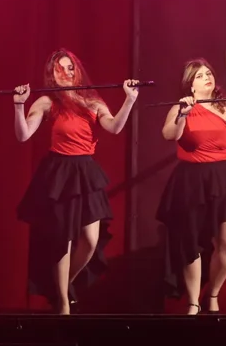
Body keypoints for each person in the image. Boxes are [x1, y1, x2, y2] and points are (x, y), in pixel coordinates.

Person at [13, 49, 139, 315]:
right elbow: (23, 135)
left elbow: (115, 127)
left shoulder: (92, 102)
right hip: (59, 174)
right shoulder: (47, 101)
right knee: (63, 240)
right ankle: (62, 303)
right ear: (52, 74)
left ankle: (60, 288)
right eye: (60, 68)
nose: (66, 72)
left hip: (85, 173)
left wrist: (129, 100)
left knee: (90, 241)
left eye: (70, 67)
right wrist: (19, 105)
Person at [158, 58, 226, 314]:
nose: (207, 77)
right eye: (199, 76)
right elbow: (169, 134)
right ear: (190, 85)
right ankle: (193, 302)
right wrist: (183, 114)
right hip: (191, 180)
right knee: (190, 243)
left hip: (225, 179)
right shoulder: (180, 107)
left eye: (208, 73)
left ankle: (213, 293)